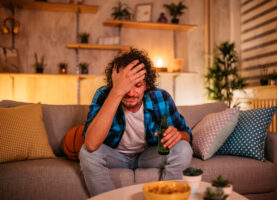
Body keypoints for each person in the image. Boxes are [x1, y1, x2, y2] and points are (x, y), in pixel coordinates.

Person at [79, 48, 193, 196]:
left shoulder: (161, 98)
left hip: (148, 156)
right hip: (115, 155)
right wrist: (116, 92)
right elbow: (91, 144)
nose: (131, 93)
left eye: (137, 85)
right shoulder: (103, 95)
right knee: (87, 153)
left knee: (183, 148)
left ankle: (165, 198)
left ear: (146, 85)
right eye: (126, 86)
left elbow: (188, 136)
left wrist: (178, 135)